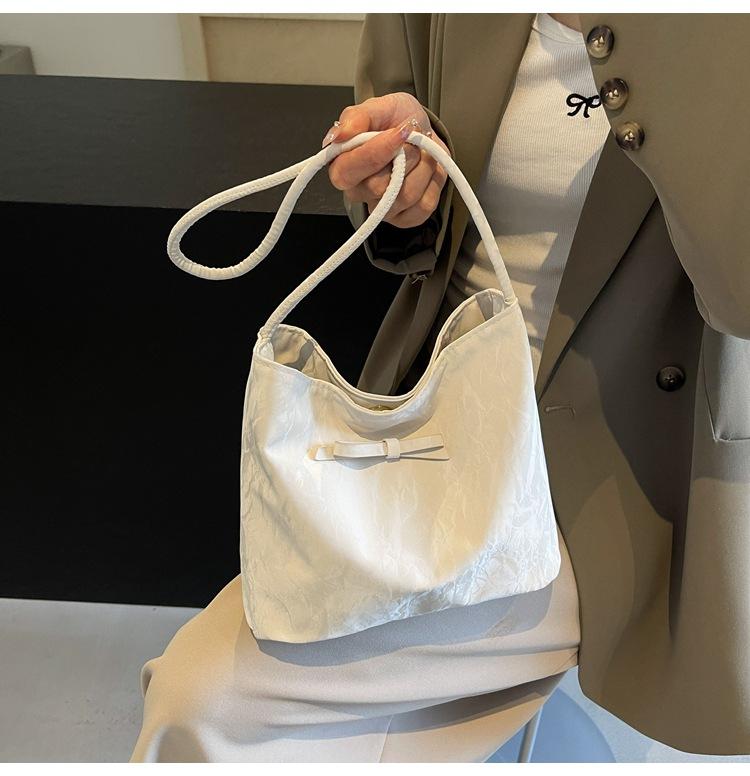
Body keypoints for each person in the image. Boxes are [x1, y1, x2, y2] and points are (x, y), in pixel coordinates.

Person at [131, 13, 750, 761]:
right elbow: (402, 218)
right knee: (202, 696)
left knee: (206, 702)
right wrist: (397, 185)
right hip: (440, 426)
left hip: (644, 478)